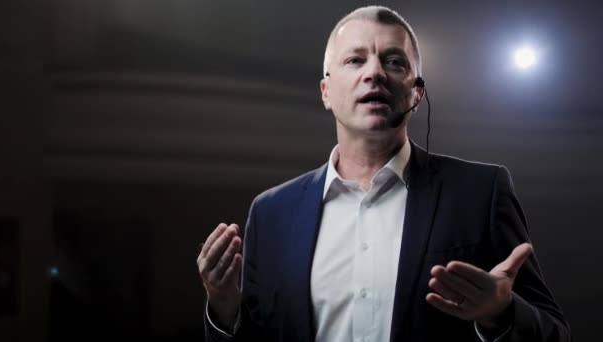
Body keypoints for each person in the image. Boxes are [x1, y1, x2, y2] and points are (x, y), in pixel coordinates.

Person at [196, 5, 571, 342]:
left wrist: (501, 315)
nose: (374, 72)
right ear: (326, 91)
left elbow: (555, 333)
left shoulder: (481, 193)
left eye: (394, 62)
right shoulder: (271, 212)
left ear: (416, 93)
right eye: (355, 61)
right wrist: (226, 310)